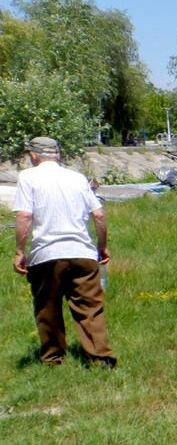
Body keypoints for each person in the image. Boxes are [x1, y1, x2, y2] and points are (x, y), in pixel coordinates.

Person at [12, 136, 116, 366]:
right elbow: (98, 214)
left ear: (33, 156)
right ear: (58, 155)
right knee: (90, 308)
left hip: (46, 253)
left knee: (47, 308)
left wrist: (20, 251)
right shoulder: (77, 178)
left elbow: (25, 215)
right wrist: (102, 246)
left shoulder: (28, 177)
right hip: (82, 252)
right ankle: (101, 358)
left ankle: (53, 358)